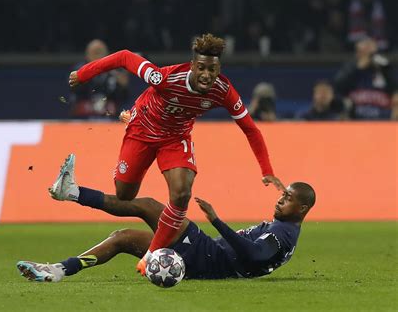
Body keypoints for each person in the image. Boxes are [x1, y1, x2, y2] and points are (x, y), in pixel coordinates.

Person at [57, 33, 285, 275]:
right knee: (124, 194)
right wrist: (84, 73)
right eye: (201, 68)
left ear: (219, 69)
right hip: (142, 130)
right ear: (192, 65)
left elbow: (250, 128)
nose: (207, 74)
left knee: (181, 192)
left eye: (213, 69)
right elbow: (125, 57)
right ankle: (73, 191)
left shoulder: (223, 90)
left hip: (175, 139)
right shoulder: (166, 77)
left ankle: (151, 255)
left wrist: (267, 170)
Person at [17, 160, 315, 282]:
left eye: (287, 198)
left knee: (147, 205)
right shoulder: (285, 230)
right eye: (282, 194)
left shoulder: (282, 234)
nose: (280, 198)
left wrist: (216, 220)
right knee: (121, 237)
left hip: (209, 257)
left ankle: (73, 192)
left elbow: (254, 254)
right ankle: (58, 270)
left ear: (301, 209)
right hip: (207, 258)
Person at [334, 37, 398, 120]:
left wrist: (382, 68)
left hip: (381, 116)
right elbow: (338, 85)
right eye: (364, 51)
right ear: (358, 52)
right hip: (356, 117)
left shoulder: (384, 65)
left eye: (370, 50)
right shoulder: (350, 67)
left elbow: (395, 87)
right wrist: (358, 68)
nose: (367, 54)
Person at [68, 39, 129, 118]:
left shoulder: (115, 71)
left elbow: (123, 98)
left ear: (107, 54)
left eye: (100, 52)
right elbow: (74, 92)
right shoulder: (79, 70)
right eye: (94, 53)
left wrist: (123, 87)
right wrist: (89, 73)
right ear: (87, 54)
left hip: (110, 118)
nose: (97, 56)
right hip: (83, 119)